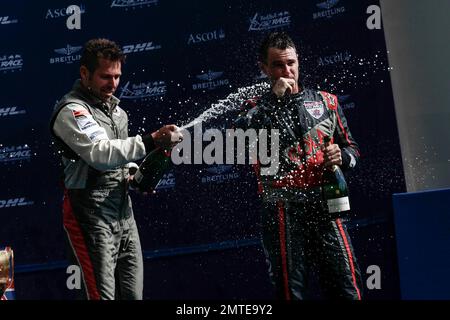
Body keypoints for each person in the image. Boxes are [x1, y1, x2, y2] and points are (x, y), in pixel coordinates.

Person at [235, 32, 363, 300]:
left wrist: (343, 157)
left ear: (298, 61)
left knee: (347, 287)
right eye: (278, 65)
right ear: (264, 68)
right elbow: (238, 141)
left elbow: (352, 149)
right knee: (290, 292)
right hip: (282, 210)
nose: (287, 71)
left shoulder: (326, 102)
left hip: (326, 206)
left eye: (291, 63)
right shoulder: (254, 107)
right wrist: (272, 100)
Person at [50, 38, 179, 300]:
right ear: (84, 73)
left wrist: (135, 172)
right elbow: (100, 154)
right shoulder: (72, 111)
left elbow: (119, 156)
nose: (113, 84)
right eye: (105, 76)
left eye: (117, 76)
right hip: (90, 215)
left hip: (124, 212)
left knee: (133, 295)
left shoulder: (118, 112)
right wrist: (151, 140)